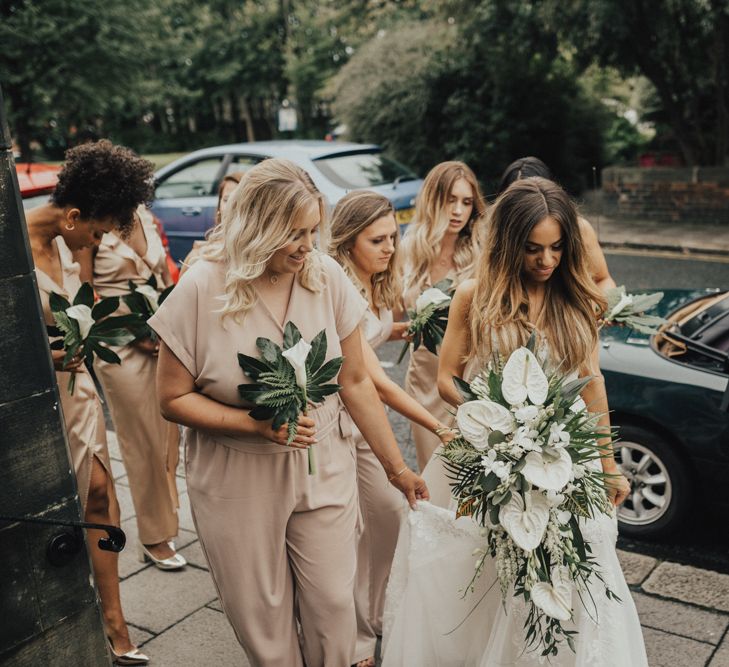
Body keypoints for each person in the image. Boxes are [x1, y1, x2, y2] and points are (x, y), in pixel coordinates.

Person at [149, 158, 429, 667]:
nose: (307, 246)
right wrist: (253, 423)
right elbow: (170, 398)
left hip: (324, 460)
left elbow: (357, 380)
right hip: (238, 474)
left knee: (333, 604)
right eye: (293, 233)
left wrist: (397, 469)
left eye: (312, 231)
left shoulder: (325, 278)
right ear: (257, 227)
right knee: (265, 621)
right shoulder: (199, 286)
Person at [382, 177, 647, 666]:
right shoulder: (473, 296)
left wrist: (608, 464)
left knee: (568, 577)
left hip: (565, 461)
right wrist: (495, 418)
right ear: (507, 244)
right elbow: (447, 379)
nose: (546, 261)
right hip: (490, 456)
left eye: (556, 248)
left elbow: (592, 383)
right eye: (532, 249)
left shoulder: (575, 300)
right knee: (485, 577)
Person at [26, 140, 151, 665]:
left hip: (77, 393)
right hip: (30, 401)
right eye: (98, 232)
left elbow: (85, 304)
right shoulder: (13, 243)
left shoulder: (69, 237)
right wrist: (46, 357)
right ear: (75, 213)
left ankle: (113, 615)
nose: (98, 243)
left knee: (100, 492)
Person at [328, 190, 453, 667]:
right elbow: (373, 380)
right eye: (377, 239)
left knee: (384, 523)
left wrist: (408, 327)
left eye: (393, 238)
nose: (389, 248)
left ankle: (376, 614)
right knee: (370, 523)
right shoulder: (341, 287)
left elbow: (373, 336)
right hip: (346, 419)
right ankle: (358, 638)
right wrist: (437, 426)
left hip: (366, 420)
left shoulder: (371, 280)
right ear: (346, 241)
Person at [75, 204, 185, 570]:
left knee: (169, 435)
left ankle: (167, 518)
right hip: (119, 346)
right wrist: (131, 331)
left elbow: (163, 275)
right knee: (141, 441)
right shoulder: (94, 226)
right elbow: (84, 294)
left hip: (160, 338)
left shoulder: (144, 217)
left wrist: (168, 328)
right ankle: (154, 538)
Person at [399, 161, 487, 471]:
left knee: (468, 472)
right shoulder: (408, 251)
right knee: (430, 470)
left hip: (466, 377)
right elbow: (389, 315)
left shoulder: (479, 254)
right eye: (450, 200)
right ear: (433, 200)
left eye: (466, 202)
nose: (458, 211)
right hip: (423, 379)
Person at [497, 156, 616, 291]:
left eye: (557, 246)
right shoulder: (493, 236)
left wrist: (591, 309)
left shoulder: (580, 229)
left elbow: (603, 280)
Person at [179, 171, 244, 277]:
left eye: (237, 200)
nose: (230, 206)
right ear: (219, 207)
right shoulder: (198, 256)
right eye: (226, 199)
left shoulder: (258, 257)